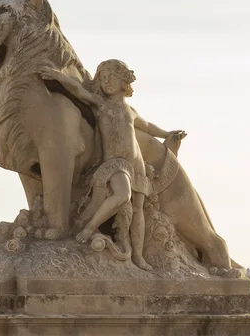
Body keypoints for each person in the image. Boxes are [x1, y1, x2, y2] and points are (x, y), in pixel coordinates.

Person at [39, 59, 185, 271]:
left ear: (124, 81)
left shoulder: (131, 111)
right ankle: (88, 229)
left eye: (112, 76)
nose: (106, 80)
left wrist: (167, 134)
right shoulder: (101, 104)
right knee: (122, 195)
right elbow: (78, 91)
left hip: (136, 165)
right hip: (115, 164)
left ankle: (137, 256)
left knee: (137, 210)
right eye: (103, 76)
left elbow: (148, 126)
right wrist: (58, 77)